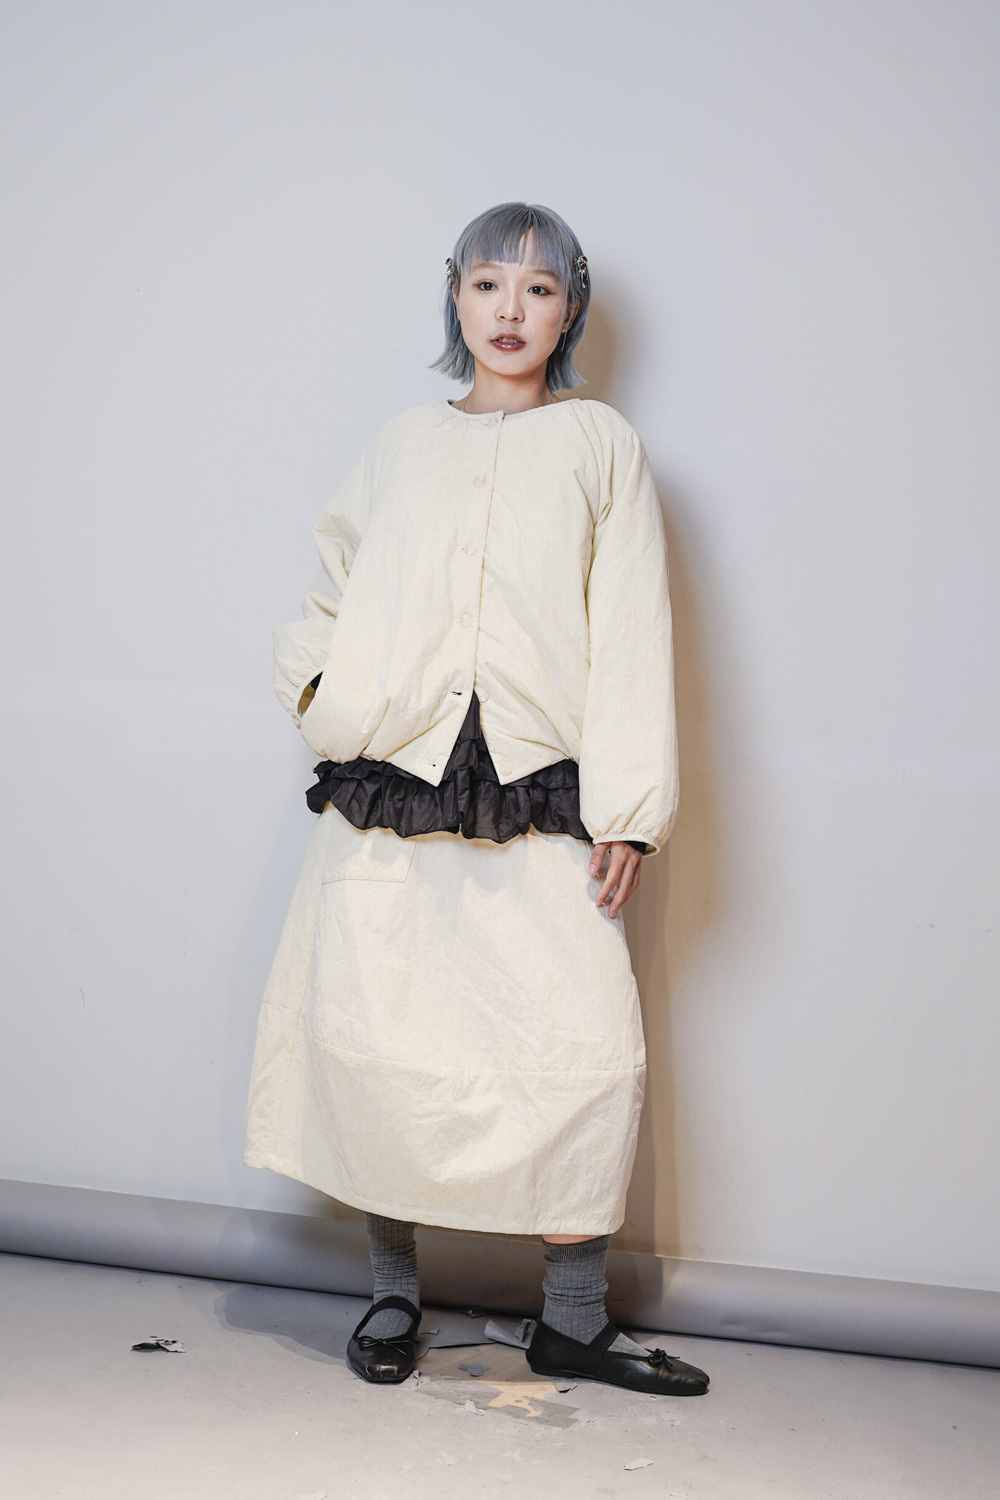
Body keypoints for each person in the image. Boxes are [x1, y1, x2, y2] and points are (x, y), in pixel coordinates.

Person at [243, 201, 709, 1398]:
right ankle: (392, 1294)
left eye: (539, 288)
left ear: (571, 308)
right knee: (385, 1033)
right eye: (489, 282)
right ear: (454, 295)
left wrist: (630, 808)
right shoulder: (402, 444)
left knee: (579, 1048)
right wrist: (320, 695)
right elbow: (333, 584)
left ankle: (572, 1319)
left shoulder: (600, 444)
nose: (511, 310)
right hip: (390, 784)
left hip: (541, 784)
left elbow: (632, 626)